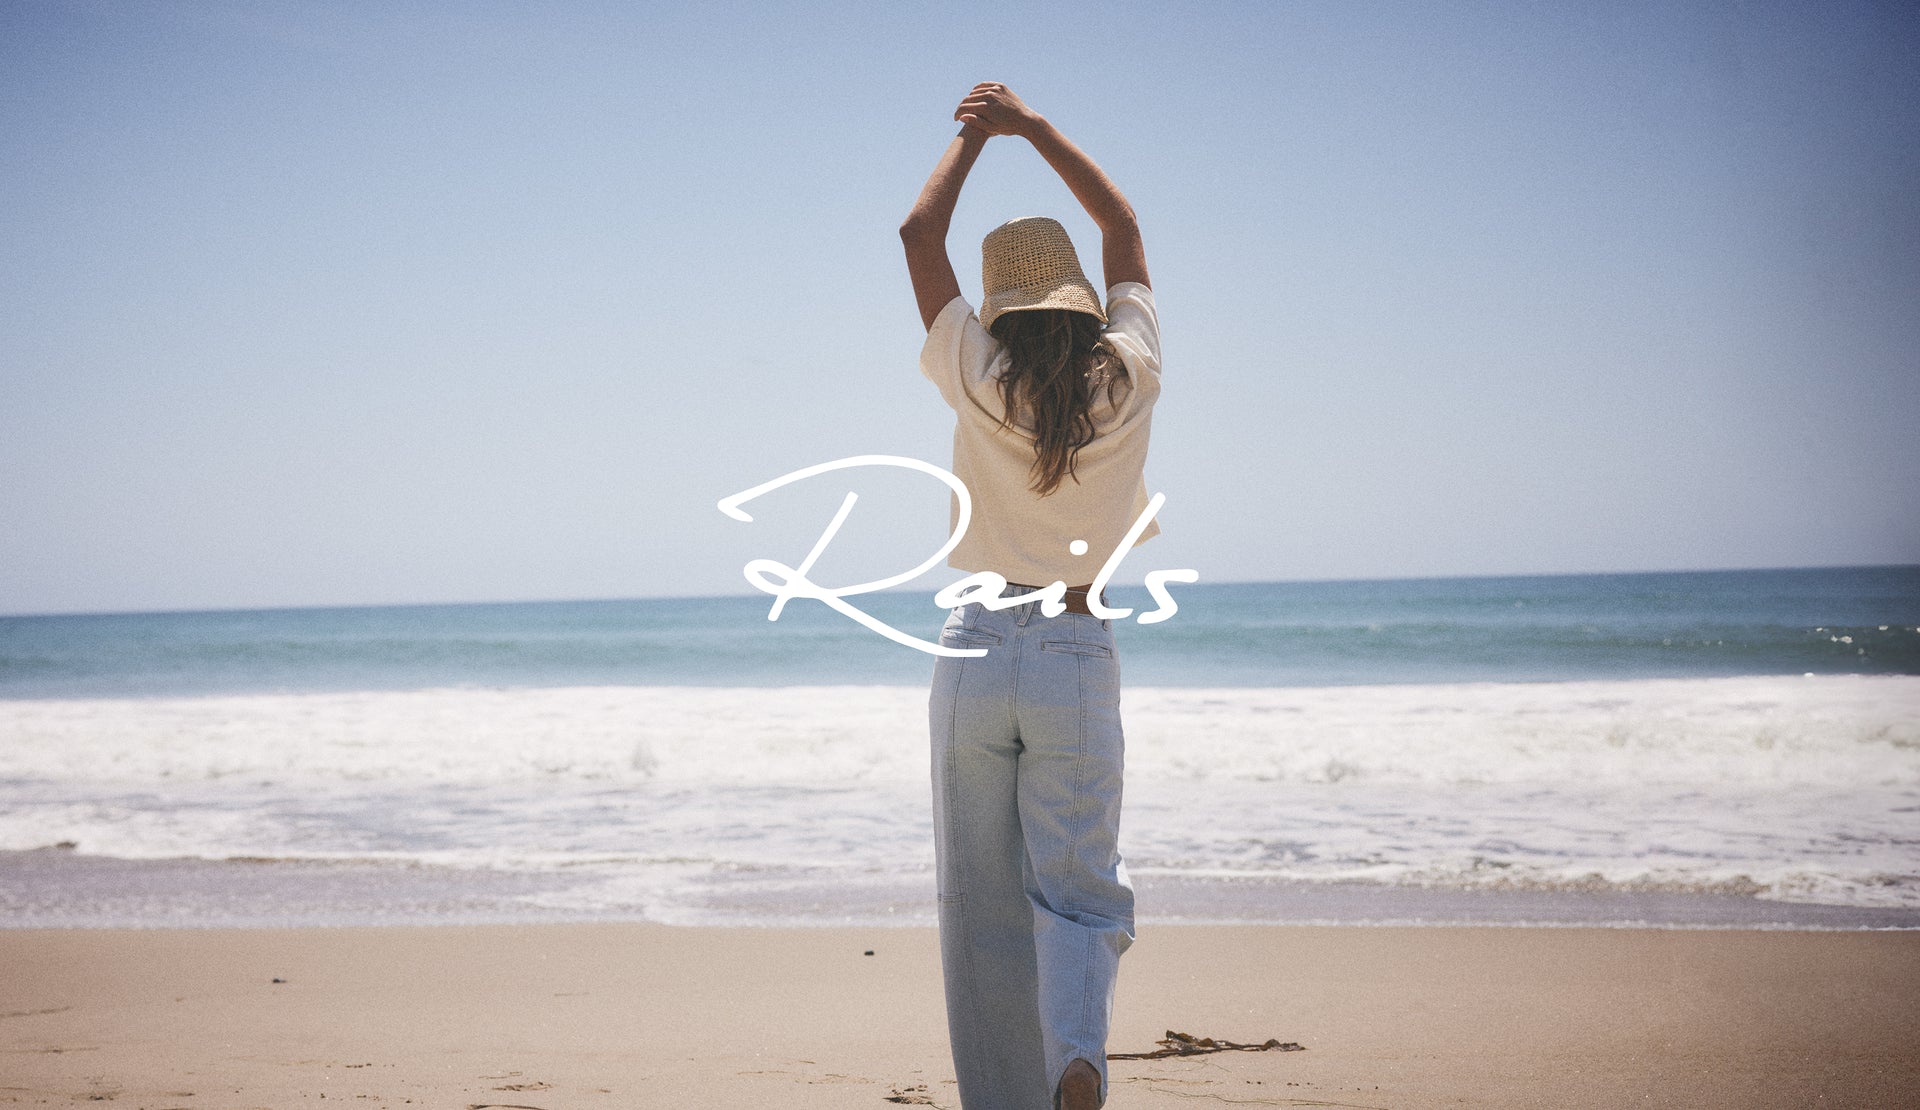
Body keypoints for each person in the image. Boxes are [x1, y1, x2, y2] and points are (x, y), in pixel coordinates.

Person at [900, 82, 1161, 1110]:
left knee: (979, 909)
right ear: (1083, 304)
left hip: (974, 645)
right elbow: (1123, 225)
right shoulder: (1130, 374)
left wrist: (973, 136)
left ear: (1005, 309)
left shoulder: (976, 368)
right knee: (1077, 894)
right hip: (1072, 647)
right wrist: (1035, 127)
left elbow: (919, 230)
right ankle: (1076, 1059)